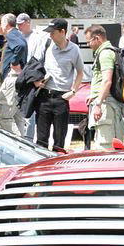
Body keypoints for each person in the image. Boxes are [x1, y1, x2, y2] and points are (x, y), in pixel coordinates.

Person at [32, 18, 83, 149]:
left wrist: (73, 91)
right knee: (41, 140)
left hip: (62, 99)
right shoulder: (47, 45)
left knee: (59, 140)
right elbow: (34, 66)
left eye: (53, 32)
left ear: (63, 32)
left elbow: (80, 73)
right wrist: (37, 81)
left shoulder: (75, 50)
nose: (50, 35)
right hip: (44, 97)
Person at [86, 24, 124, 150]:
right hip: (107, 104)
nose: (88, 45)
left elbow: (107, 81)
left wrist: (98, 103)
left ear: (97, 38)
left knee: (105, 147)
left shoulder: (105, 54)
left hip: (106, 106)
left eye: (89, 41)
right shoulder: (108, 51)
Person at [0, 12, 28, 134]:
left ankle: (16, 145)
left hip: (11, 80)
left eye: (2, 23)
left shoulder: (11, 35)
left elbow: (21, 46)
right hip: (18, 79)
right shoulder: (18, 34)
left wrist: (14, 62)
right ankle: (23, 146)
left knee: (5, 118)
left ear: (6, 24)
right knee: (17, 117)